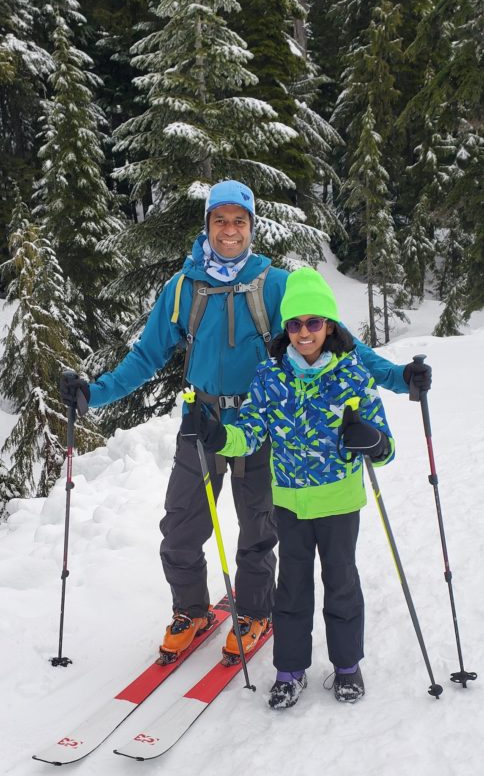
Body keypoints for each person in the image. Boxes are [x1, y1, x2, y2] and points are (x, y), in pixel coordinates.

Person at [60, 179, 430, 662]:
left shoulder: (275, 284)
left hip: (262, 421)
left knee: (259, 528)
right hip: (201, 423)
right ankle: (190, 610)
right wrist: (95, 393)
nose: (229, 230)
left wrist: (399, 378)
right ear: (207, 225)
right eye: (220, 220)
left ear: (252, 227)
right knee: (180, 525)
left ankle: (255, 611)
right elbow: (146, 356)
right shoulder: (182, 289)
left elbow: (340, 343)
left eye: (239, 221)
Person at [182, 267, 394, 707]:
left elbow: (386, 448)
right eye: (295, 324)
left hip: (339, 503)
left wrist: (372, 441)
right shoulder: (269, 376)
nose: (304, 332)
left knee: (341, 583)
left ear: (329, 325)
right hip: (290, 504)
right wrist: (218, 436)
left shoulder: (353, 375)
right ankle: (290, 671)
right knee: (292, 588)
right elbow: (250, 435)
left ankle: (347, 666)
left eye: (313, 322)